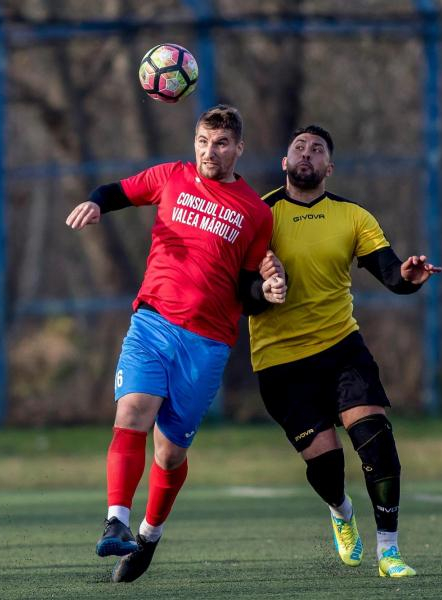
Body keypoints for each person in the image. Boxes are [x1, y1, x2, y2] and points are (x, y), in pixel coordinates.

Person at [65, 105, 286, 583]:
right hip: (152, 322)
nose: (210, 152)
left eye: (221, 143)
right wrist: (96, 204)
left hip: (207, 342)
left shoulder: (255, 212)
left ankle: (149, 535)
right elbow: (116, 191)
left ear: (239, 148)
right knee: (132, 412)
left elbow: (247, 292)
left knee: (168, 454)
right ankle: (116, 521)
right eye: (203, 141)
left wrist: (266, 291)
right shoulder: (172, 177)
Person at [249, 125, 442, 578]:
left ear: (329, 167)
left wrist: (408, 278)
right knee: (327, 467)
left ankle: (389, 551)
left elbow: (390, 273)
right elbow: (239, 293)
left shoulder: (353, 216)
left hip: (341, 349)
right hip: (280, 362)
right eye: (299, 147)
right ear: (284, 161)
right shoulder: (258, 215)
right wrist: (263, 289)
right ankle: (340, 510)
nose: (307, 154)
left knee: (378, 443)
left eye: (317, 149)